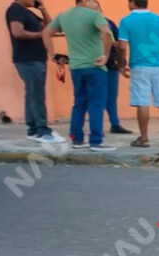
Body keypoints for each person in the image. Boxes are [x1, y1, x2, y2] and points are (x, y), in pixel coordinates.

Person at [43, 0, 115, 151]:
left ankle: (76, 139)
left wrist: (53, 55)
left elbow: (46, 33)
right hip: (95, 66)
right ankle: (96, 141)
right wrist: (106, 56)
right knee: (96, 104)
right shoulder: (94, 15)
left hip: (76, 67)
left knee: (79, 103)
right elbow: (107, 33)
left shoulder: (63, 16)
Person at [117, 0, 159, 147]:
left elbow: (122, 47)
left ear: (132, 3)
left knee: (142, 102)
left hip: (139, 66)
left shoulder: (126, 21)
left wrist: (121, 65)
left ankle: (144, 138)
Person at [5, 0, 63, 144]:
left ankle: (33, 129)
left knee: (32, 93)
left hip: (36, 58)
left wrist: (43, 9)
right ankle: (42, 130)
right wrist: (41, 35)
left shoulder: (29, 13)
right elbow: (17, 32)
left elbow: (51, 28)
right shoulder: (15, 10)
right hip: (28, 59)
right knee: (37, 95)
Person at [95, 3, 131, 134]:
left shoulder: (109, 23)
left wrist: (122, 62)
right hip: (95, 64)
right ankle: (96, 126)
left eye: (97, 8)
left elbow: (120, 42)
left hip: (111, 64)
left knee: (111, 96)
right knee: (97, 96)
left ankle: (115, 124)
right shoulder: (87, 25)